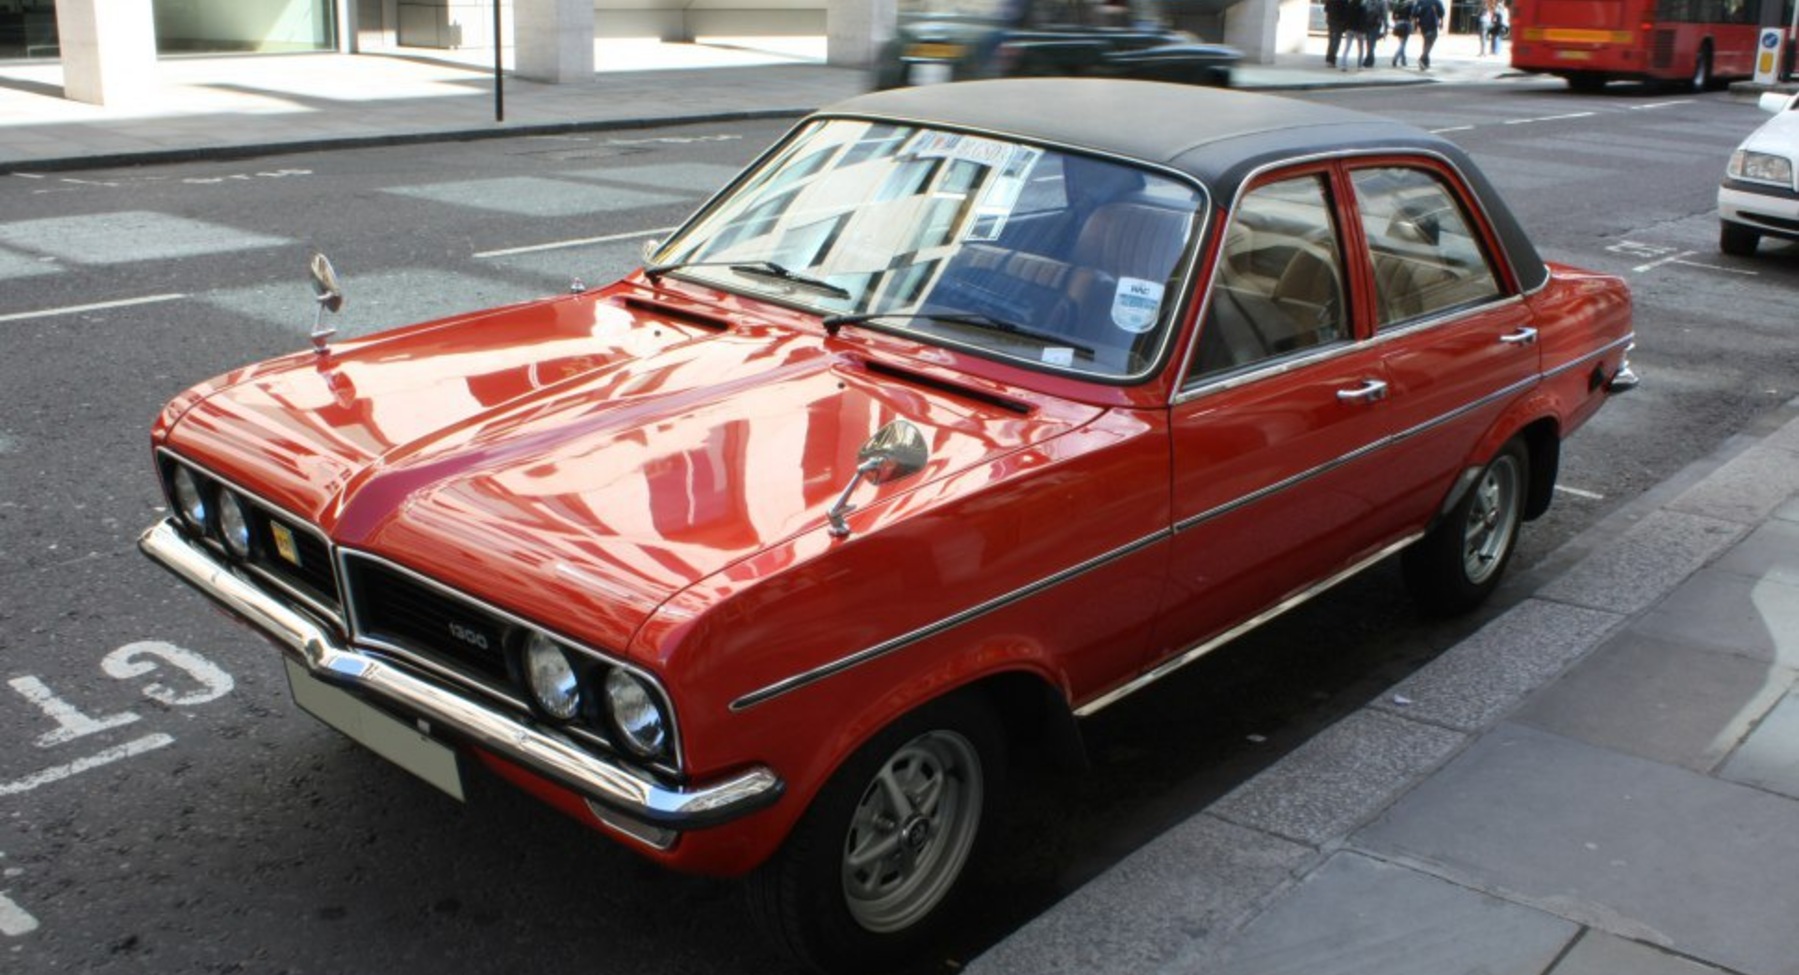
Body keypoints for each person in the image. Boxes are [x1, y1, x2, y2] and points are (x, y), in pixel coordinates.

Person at [1413, 0, 1444, 70]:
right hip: (1432, 24)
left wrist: (1416, 23)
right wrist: (1441, 22)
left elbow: (1414, 13)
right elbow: (1441, 12)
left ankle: (1425, 63)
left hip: (1423, 25)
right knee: (1430, 42)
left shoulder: (1420, 2)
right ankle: (1422, 58)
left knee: (1426, 42)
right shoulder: (1436, 1)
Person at [1360, 0, 1389, 68]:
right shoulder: (1382, 2)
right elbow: (1384, 14)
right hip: (1375, 24)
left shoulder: (1366, 1)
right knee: (1372, 42)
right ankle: (1370, 59)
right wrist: (1385, 27)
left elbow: (1363, 11)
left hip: (1368, 24)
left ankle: (1369, 59)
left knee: (1369, 42)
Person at [1324, 0, 1351, 67]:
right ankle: (1332, 58)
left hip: (1331, 20)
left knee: (1331, 40)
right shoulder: (1344, 1)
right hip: (1339, 22)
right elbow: (1346, 11)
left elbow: (1326, 9)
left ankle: (1329, 57)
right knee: (1336, 41)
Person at [1390, 0, 1414, 67]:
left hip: (1399, 24)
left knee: (1402, 43)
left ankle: (1403, 60)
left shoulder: (1397, 5)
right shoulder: (1410, 5)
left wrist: (1397, 21)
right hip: (1406, 24)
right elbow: (1412, 15)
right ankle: (1395, 57)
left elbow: (1393, 17)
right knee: (1403, 44)